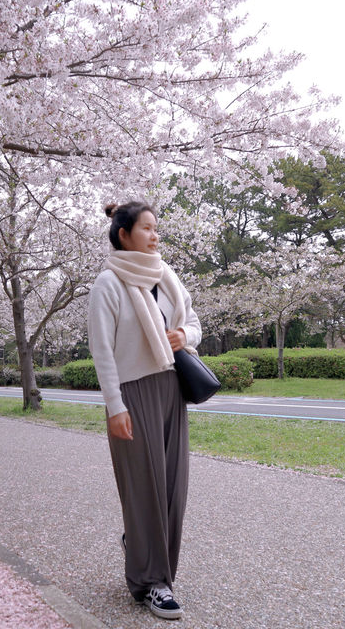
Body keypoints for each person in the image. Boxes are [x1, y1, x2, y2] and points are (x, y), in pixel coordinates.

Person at [87, 201, 201, 621]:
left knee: (172, 487)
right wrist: (114, 407)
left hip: (171, 389)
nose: (155, 237)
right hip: (133, 394)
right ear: (124, 234)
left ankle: (148, 556)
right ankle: (152, 582)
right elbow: (102, 352)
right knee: (143, 486)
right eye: (147, 229)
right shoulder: (108, 284)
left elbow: (196, 325)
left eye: (157, 230)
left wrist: (182, 334)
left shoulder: (167, 277)